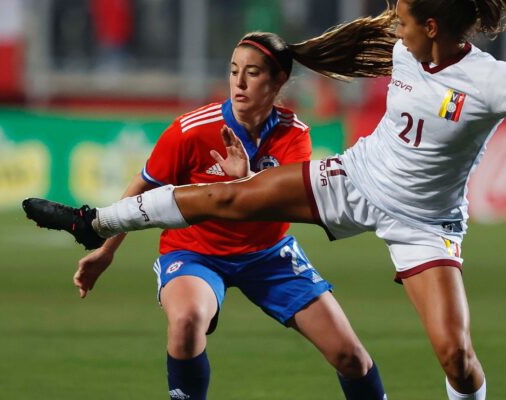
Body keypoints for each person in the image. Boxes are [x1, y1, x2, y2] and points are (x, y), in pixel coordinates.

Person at [24, 0, 506, 399]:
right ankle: (92, 222)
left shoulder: (493, 80)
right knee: (227, 197)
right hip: (356, 180)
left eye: (405, 14)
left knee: (457, 357)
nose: (395, 22)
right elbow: (360, 41)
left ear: (433, 26)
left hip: (425, 224)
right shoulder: (406, 46)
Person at [26, 21, 399, 399]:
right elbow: (144, 188)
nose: (238, 83)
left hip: (268, 255)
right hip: (195, 253)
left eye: (251, 74)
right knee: (186, 322)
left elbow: (287, 202)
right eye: (234, 71)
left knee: (350, 355)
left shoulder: (294, 134)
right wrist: (106, 251)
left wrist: (249, 178)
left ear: (277, 81)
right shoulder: (191, 130)